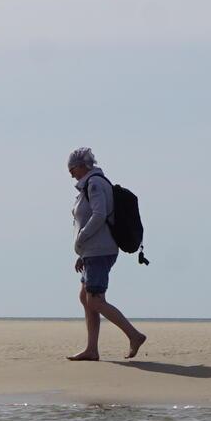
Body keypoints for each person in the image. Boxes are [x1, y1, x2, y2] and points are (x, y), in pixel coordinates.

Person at [66, 146, 146, 361]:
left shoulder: (94, 184)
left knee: (95, 300)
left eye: (72, 168)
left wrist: (81, 238)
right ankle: (91, 349)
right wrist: (82, 252)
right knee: (86, 297)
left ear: (82, 166)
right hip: (92, 251)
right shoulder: (89, 185)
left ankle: (134, 335)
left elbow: (99, 215)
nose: (70, 173)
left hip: (100, 250)